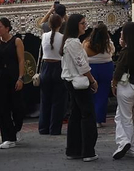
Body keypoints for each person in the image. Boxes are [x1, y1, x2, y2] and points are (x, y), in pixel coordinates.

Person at [60, 12, 98, 159]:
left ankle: (74, 150)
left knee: (75, 115)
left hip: (71, 81)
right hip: (78, 82)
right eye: (82, 23)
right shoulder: (74, 43)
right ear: (75, 26)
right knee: (87, 115)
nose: (85, 25)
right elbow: (81, 65)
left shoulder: (69, 41)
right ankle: (88, 151)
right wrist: (92, 80)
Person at [111, 23, 134, 160]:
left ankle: (129, 145)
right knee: (120, 116)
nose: (120, 36)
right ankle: (127, 145)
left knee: (125, 118)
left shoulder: (126, 52)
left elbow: (119, 70)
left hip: (126, 87)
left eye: (122, 34)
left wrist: (113, 84)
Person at [0, 17, 26, 149]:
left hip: (13, 76)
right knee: (3, 108)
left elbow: (21, 60)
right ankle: (8, 137)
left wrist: (20, 77)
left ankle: (16, 128)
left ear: (7, 28)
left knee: (17, 107)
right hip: (0, 77)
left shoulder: (16, 41)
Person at [36, 11, 67, 135]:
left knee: (45, 99)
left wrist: (50, 11)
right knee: (58, 101)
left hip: (46, 67)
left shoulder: (44, 36)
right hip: (58, 66)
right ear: (61, 24)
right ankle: (54, 128)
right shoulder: (63, 37)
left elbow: (41, 23)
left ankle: (43, 127)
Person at [84, 24, 114, 126]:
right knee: (103, 94)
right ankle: (99, 120)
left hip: (92, 68)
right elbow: (112, 51)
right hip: (106, 67)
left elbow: (83, 53)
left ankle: (90, 118)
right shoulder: (108, 43)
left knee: (91, 93)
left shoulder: (88, 43)